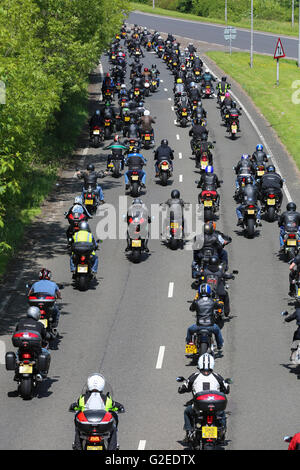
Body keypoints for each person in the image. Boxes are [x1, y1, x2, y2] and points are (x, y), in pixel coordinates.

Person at [178, 353, 230, 443]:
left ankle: (189, 432)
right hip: (215, 407)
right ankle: (222, 431)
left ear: (199, 364)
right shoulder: (217, 376)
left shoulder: (194, 376)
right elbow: (226, 389)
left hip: (199, 407)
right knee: (222, 414)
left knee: (187, 411)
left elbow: (184, 388)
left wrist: (181, 389)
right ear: (212, 364)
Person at [70, 373, 125, 450]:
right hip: (102, 426)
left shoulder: (82, 399)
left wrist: (73, 406)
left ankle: (77, 445)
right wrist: (120, 407)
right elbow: (114, 406)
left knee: (78, 428)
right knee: (113, 428)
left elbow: (76, 406)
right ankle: (113, 447)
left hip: (86, 427)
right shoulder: (107, 399)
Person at [14, 306, 51, 381]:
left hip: (22, 349)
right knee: (46, 352)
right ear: (37, 315)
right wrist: (50, 336)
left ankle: (17, 371)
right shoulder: (39, 324)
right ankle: (42, 372)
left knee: (17, 354)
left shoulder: (20, 322)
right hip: (35, 349)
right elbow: (45, 335)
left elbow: (16, 333)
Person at [186, 284, 224, 350]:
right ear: (209, 292)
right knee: (217, 330)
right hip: (211, 326)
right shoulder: (212, 301)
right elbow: (219, 306)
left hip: (198, 326)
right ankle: (219, 345)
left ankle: (189, 345)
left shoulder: (196, 302)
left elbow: (191, 309)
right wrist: (220, 303)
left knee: (189, 330)